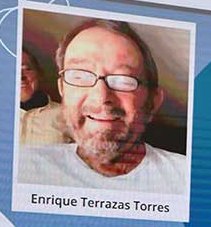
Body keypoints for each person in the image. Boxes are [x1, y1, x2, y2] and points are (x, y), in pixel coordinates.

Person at [17, 19, 186, 195]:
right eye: (79, 75)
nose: (101, 97)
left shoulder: (185, 179)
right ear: (62, 90)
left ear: (153, 101)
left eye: (123, 79)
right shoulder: (23, 168)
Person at [19, 48, 70, 146]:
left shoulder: (66, 115)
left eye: (27, 69)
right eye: (14, 69)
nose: (21, 76)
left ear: (39, 73)